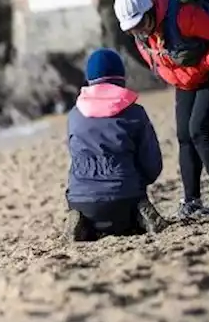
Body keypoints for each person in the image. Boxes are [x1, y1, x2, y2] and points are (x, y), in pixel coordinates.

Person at [113, 0, 209, 218]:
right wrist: (184, 78)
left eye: (141, 24)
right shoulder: (140, 33)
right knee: (184, 135)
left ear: (151, 10)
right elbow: (155, 61)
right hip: (186, 76)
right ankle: (191, 201)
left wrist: (203, 68)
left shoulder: (185, 15)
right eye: (132, 29)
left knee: (199, 130)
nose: (139, 31)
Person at [64, 48, 168, 241]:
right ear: (121, 77)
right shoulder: (135, 113)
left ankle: (81, 219)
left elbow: (74, 155)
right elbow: (152, 163)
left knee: (83, 184)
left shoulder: (74, 115)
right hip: (125, 197)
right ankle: (139, 214)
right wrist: (141, 181)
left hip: (82, 198)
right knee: (131, 204)